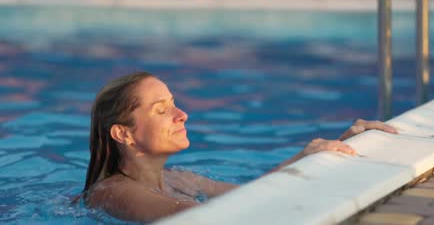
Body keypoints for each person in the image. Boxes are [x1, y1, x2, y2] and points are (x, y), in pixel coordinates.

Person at [81, 72, 397, 222]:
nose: (182, 115)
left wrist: (317, 152)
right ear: (123, 134)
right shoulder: (114, 193)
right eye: (161, 110)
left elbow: (250, 195)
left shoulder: (179, 180)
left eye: (174, 104)